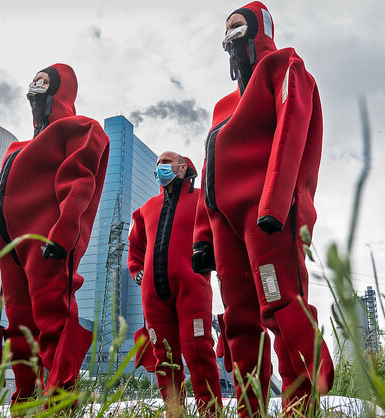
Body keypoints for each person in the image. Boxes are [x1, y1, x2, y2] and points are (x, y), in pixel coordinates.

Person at [192, 2, 334, 414]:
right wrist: (203, 236)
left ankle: (302, 400)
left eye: (238, 25)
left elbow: (292, 129)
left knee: (280, 302)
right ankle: (249, 408)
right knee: (237, 319)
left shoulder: (284, 66)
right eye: (225, 29)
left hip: (266, 214)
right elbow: (209, 168)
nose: (229, 35)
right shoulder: (222, 106)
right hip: (224, 224)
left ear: (258, 29)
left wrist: (275, 203)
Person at [0, 63, 109, 402]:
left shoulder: (79, 128)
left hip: (45, 243)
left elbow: (80, 181)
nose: (34, 86)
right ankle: (24, 402)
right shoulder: (15, 149)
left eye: (43, 81)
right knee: (19, 327)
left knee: (54, 320)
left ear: (61, 90)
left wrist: (63, 233)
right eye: (33, 80)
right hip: (11, 250)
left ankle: (61, 401)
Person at [128, 152, 222, 416]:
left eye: (166, 162)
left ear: (183, 167)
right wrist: (137, 270)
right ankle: (174, 412)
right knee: (164, 358)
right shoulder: (146, 209)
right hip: (153, 293)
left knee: (198, 350)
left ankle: (211, 412)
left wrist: (214, 260)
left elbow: (221, 230)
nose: (160, 166)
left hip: (192, 286)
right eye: (158, 163)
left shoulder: (203, 197)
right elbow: (135, 246)